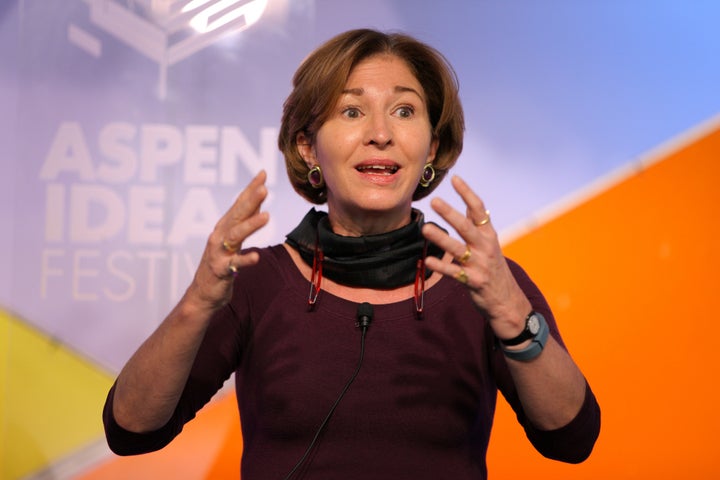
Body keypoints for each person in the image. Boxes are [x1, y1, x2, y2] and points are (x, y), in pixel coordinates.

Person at [103, 28, 600, 479]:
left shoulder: (485, 283)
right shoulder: (254, 281)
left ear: (430, 148)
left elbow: (572, 439)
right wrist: (196, 303)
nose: (380, 133)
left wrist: (513, 314)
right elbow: (132, 431)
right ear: (307, 147)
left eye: (404, 111)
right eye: (352, 110)